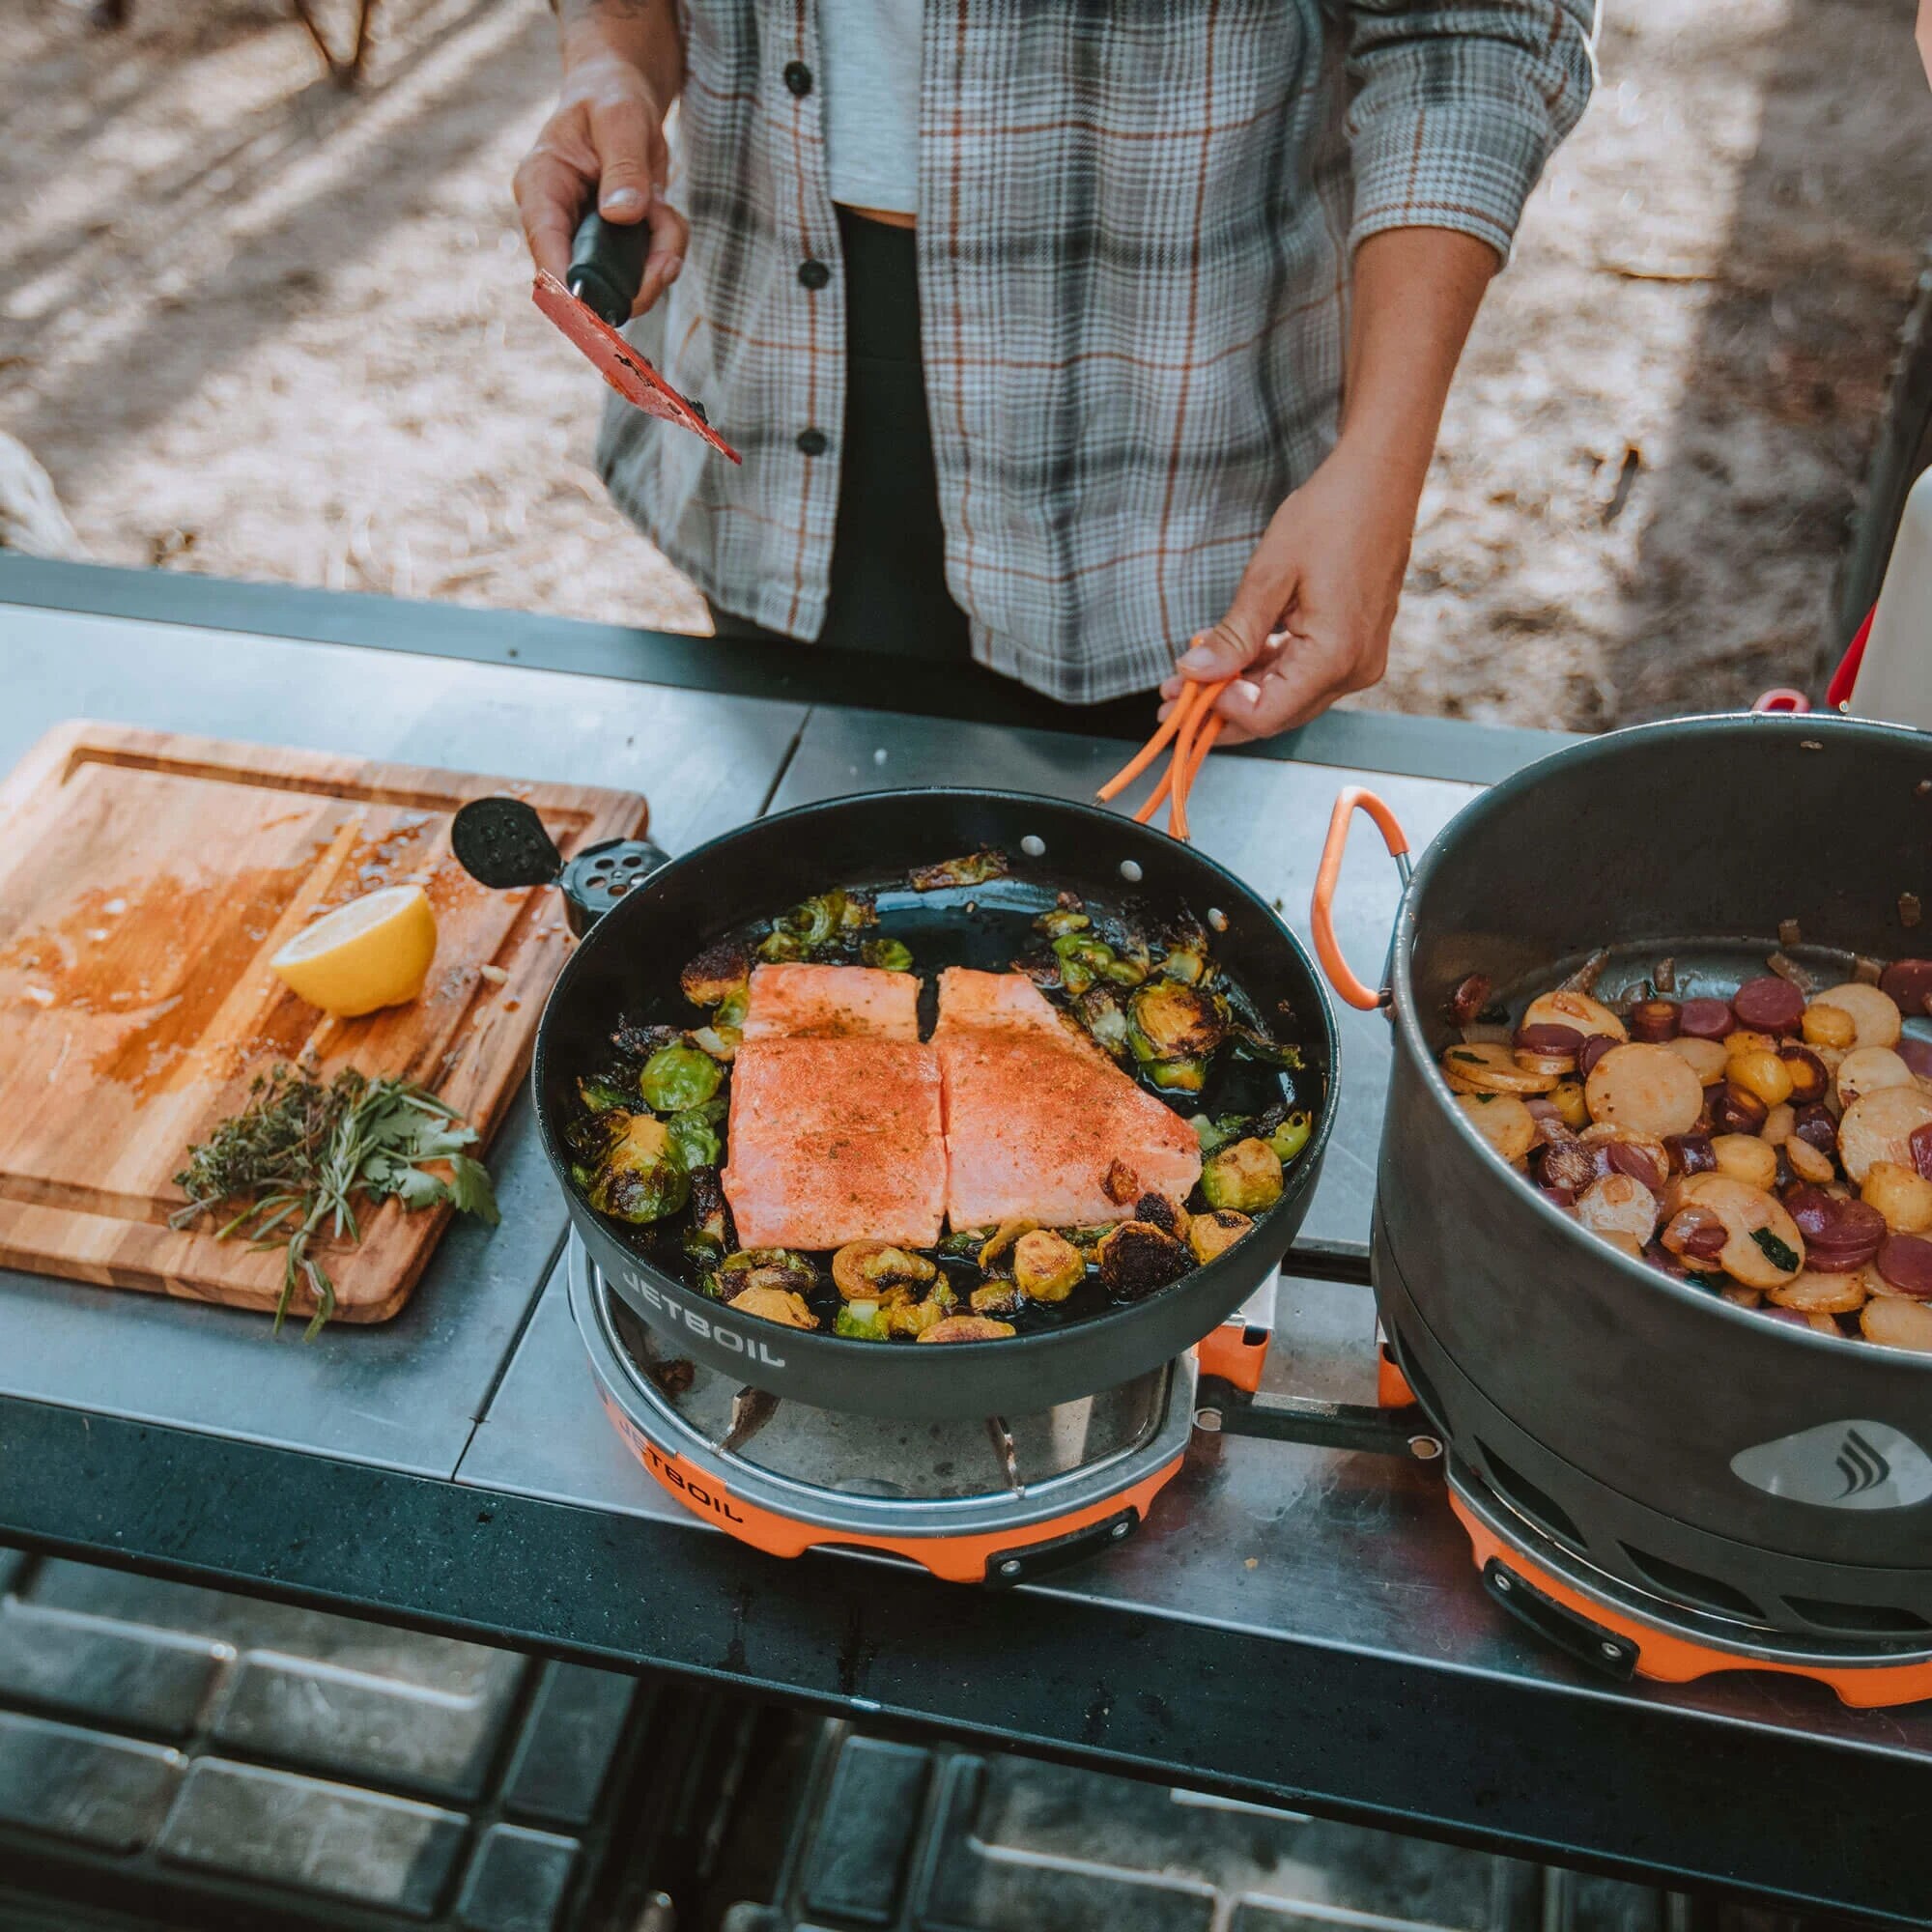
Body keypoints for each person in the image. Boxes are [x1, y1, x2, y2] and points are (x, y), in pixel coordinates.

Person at [517, 1, 1595, 742]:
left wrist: (1379, 470)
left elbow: (1467, 29)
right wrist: (614, 54)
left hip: (1180, 467)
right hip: (773, 419)